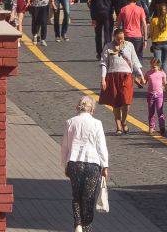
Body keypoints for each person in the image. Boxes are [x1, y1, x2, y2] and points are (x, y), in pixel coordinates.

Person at [61, 93, 110, 230]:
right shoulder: (97, 123)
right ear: (92, 108)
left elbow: (65, 146)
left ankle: (77, 224)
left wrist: (65, 163)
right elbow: (101, 145)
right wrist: (105, 165)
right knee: (88, 197)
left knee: (76, 195)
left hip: (74, 162)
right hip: (92, 164)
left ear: (79, 107)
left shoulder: (70, 122)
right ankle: (87, 227)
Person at [98, 28, 144, 136]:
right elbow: (104, 63)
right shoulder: (108, 46)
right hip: (112, 75)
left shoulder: (129, 45)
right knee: (116, 103)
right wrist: (103, 78)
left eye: (122, 39)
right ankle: (118, 125)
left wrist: (141, 75)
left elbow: (135, 61)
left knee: (126, 101)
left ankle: (124, 121)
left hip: (126, 76)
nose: (120, 41)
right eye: (118, 39)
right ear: (114, 37)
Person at [145, 60, 167, 136]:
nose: (152, 68)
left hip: (159, 95)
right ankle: (151, 127)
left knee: (160, 111)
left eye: (154, 66)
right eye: (151, 66)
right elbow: (144, 82)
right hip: (151, 95)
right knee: (151, 112)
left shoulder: (162, 73)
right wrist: (140, 81)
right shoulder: (148, 73)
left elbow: (165, 84)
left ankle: (162, 126)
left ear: (158, 66)